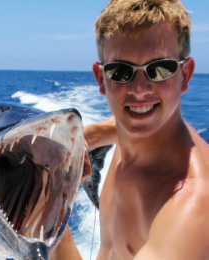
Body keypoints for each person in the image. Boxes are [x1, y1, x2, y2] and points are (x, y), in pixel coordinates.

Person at [50, 0, 209, 259]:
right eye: (121, 71)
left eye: (159, 69)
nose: (139, 89)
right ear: (102, 79)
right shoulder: (133, 134)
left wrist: (50, 208)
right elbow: (129, 123)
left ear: (185, 75)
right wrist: (84, 138)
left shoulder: (192, 206)